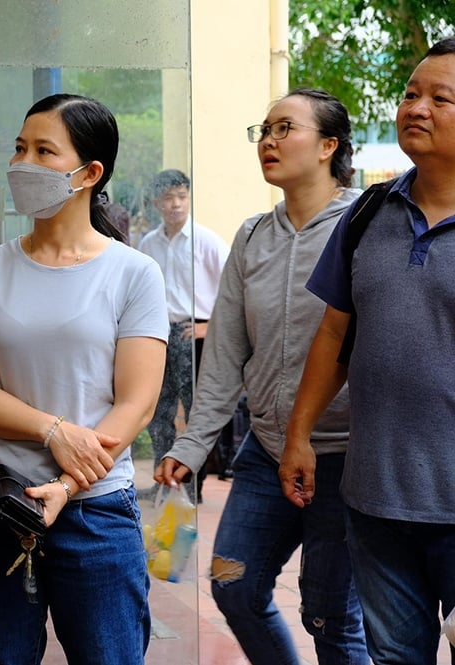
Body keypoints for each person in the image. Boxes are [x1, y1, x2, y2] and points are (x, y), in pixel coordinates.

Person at [0, 93, 168, 665]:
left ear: (90, 173)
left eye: (44, 150)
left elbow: (138, 403)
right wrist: (52, 431)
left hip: (94, 514)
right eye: (20, 147)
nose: (24, 162)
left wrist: (68, 486)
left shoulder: (133, 273)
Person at [156, 88, 368, 664]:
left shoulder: (365, 227)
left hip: (345, 458)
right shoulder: (251, 236)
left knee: (329, 614)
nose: (269, 141)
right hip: (267, 450)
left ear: (329, 146)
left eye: (285, 129)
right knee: (231, 581)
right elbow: (225, 352)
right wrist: (193, 443)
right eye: (264, 130)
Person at [284, 38, 455, 665]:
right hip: (376, 499)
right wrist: (299, 432)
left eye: (442, 98)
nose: (418, 106)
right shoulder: (366, 215)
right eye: (412, 93)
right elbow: (333, 335)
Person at [137, 169, 229, 500]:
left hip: (196, 334)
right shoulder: (148, 244)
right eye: (168, 198)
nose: (176, 204)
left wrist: (208, 327)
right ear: (156, 202)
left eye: (182, 196)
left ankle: (193, 487)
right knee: (159, 411)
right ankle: (164, 483)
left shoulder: (206, 241)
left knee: (195, 413)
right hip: (160, 334)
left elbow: (235, 291)